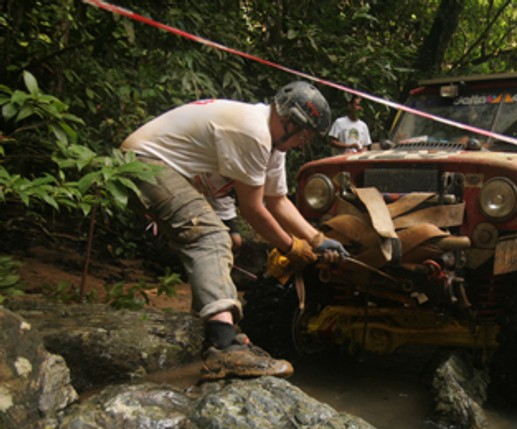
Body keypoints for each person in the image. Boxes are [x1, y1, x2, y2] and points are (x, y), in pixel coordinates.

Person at [120, 81, 348, 381]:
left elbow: (277, 201)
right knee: (209, 235)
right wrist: (290, 246)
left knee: (219, 240)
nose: (304, 143)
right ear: (291, 122)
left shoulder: (272, 145)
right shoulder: (252, 132)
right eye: (305, 135)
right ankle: (224, 345)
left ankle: (207, 333)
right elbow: (253, 209)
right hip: (144, 163)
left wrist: (316, 239)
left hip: (168, 168)